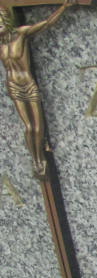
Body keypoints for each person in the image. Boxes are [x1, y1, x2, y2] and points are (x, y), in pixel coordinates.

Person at [0, 0, 77, 179]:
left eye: (0, 21)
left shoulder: (21, 34)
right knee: (29, 126)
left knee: (37, 125)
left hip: (28, 83)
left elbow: (47, 23)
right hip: (14, 86)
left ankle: (41, 156)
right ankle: (37, 160)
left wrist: (64, 7)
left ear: (7, 20)